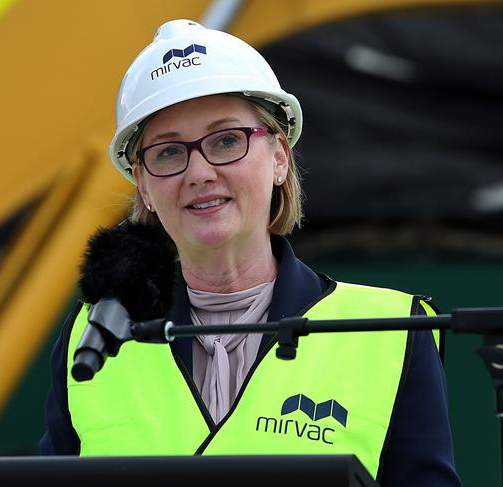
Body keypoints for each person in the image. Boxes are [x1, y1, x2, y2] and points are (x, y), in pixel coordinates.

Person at [40, 19, 461, 486]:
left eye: (226, 141)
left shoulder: (393, 332)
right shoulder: (94, 337)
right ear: (143, 184)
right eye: (167, 152)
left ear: (279, 157)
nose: (198, 172)